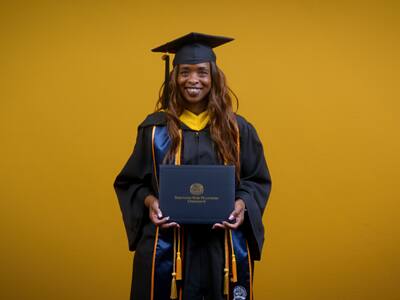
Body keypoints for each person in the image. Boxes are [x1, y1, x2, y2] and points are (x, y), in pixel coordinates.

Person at [114, 32, 272, 300]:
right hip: (167, 243)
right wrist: (150, 202)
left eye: (202, 72)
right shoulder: (154, 129)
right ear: (174, 77)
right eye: (185, 72)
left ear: (214, 78)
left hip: (220, 247)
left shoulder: (237, 129)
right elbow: (131, 183)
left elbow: (256, 179)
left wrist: (242, 204)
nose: (193, 80)